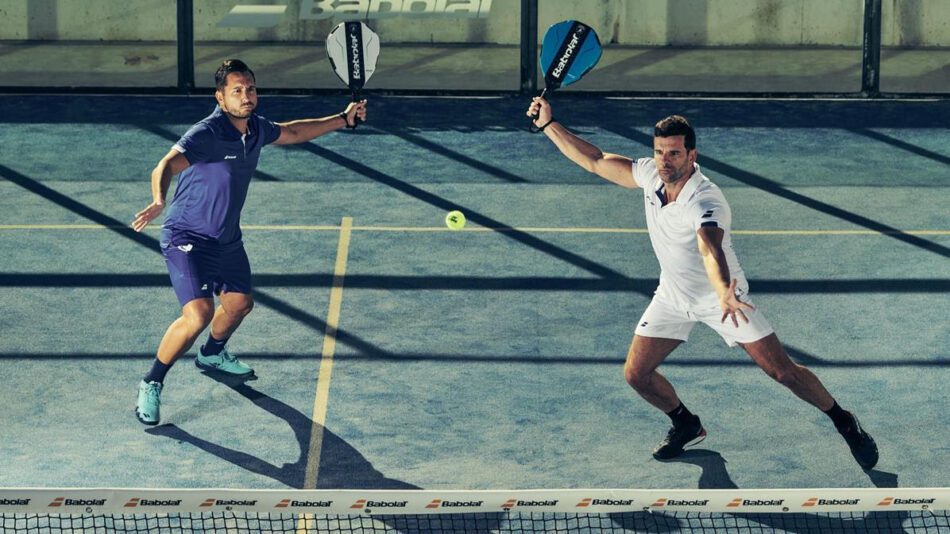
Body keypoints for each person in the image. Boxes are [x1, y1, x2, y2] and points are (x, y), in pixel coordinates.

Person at [525, 97, 878, 469]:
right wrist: (549, 125)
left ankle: (843, 420)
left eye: (674, 153)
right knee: (636, 374)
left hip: (721, 298)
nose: (664, 160)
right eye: (659, 151)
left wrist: (724, 290)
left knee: (781, 371)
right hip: (673, 295)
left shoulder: (705, 199)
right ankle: (685, 423)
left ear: (691, 155)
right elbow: (595, 160)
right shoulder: (650, 175)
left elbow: (710, 248)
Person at [131, 59, 367, 425]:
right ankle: (152, 381)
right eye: (237, 91)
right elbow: (164, 165)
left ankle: (212, 354)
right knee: (199, 314)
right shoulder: (207, 133)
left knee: (240, 305)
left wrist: (343, 119)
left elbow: (293, 132)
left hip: (226, 239)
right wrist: (160, 199)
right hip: (186, 237)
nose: (246, 97)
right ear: (220, 97)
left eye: (251, 89)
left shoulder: (255, 128)